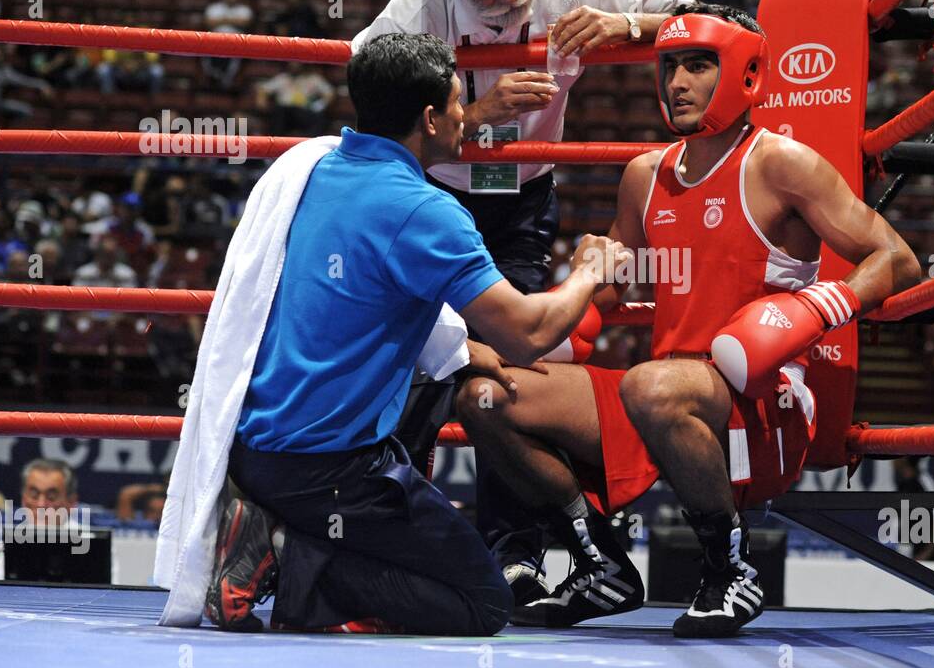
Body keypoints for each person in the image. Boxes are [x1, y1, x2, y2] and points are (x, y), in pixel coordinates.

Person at [457, 5, 922, 637]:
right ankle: (602, 562)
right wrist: (585, 276)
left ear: (746, 74)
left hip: (761, 405)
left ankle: (728, 568)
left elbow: (896, 258)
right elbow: (610, 294)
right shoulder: (643, 176)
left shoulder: (782, 164)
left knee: (650, 383)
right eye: (670, 65)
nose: (677, 82)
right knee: (486, 394)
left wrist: (816, 308)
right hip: (662, 395)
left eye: (698, 65)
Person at [206, 32, 630, 636]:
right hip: (332, 470)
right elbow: (529, 334)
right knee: (484, 603)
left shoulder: (310, 170)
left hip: (254, 452)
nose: (466, 116)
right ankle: (284, 549)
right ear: (429, 118)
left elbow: (366, 287)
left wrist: (462, 350)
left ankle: (288, 546)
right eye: (459, 102)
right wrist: (587, 273)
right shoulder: (422, 210)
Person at [353, 0, 693, 605]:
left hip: (525, 201)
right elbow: (368, 95)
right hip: (434, 199)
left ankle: (515, 551)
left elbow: (705, 21)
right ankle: (383, 543)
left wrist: (627, 23)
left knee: (506, 372)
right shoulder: (422, 5)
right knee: (412, 361)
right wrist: (473, 116)